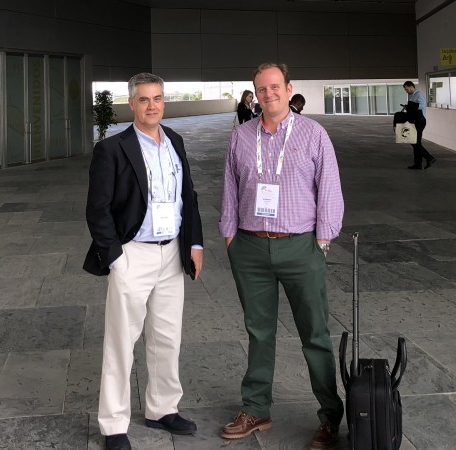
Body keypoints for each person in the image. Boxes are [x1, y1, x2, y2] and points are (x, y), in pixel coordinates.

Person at [219, 62, 345, 450]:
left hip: (300, 246)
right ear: (255, 95)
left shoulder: (313, 134)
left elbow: (329, 188)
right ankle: (256, 409)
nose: (268, 94)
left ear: (289, 89)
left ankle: (329, 417)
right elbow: (229, 186)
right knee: (258, 331)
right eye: (261, 89)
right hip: (251, 247)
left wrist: (323, 241)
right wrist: (229, 237)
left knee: (315, 334)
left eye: (275, 87)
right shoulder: (241, 137)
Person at [84, 72, 204, 450]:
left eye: (157, 98)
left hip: (172, 253)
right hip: (132, 253)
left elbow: (190, 196)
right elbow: (97, 209)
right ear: (131, 104)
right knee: (121, 342)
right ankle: (114, 425)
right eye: (144, 99)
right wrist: (116, 258)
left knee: (167, 338)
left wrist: (195, 244)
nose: (152, 105)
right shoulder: (112, 149)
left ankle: (162, 408)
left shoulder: (176, 142)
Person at [403, 80, 436, 170]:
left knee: (415, 142)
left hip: (420, 121)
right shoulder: (412, 96)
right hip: (415, 120)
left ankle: (430, 158)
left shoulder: (418, 95)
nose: (406, 91)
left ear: (410, 86)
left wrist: (411, 106)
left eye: (406, 89)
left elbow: (421, 106)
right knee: (415, 142)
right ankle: (418, 164)